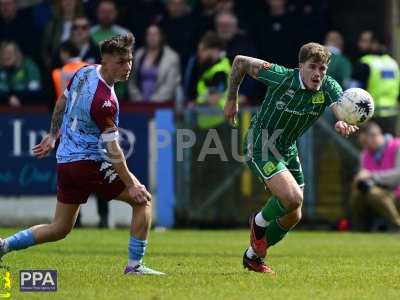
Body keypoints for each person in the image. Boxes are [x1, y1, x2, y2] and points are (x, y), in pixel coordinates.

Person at [0, 34, 164, 276]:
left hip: (66, 161)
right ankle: (134, 266)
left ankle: (4, 246)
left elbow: (61, 102)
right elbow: (113, 149)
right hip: (87, 163)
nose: (127, 66)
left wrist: (53, 135)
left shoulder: (84, 72)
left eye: (129, 60)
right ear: (106, 61)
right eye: (121, 62)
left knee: (60, 228)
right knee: (143, 201)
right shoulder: (104, 101)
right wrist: (131, 185)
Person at [224, 43, 359, 273]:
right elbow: (239, 61)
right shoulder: (281, 76)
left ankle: (252, 257)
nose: (318, 73)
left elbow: (339, 108)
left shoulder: (329, 86)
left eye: (323, 68)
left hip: (287, 149)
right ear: (300, 67)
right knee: (292, 197)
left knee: (293, 215)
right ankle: (258, 222)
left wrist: (341, 121)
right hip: (260, 144)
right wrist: (231, 99)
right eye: (313, 67)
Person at [351, 122, 400, 231]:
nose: (364, 146)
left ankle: (397, 226)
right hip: (379, 191)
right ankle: (360, 230)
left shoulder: (397, 146)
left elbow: (398, 174)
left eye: (365, 142)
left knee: (374, 193)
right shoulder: (365, 154)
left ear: (374, 136)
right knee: (357, 192)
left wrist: (372, 176)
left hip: (396, 193)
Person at [128, 24, 181, 102]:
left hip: (162, 104)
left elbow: (170, 85)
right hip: (139, 103)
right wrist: (138, 99)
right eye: (149, 34)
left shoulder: (172, 57)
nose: (152, 37)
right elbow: (132, 81)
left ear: (161, 36)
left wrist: (153, 102)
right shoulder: (138, 55)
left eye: (155, 34)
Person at [0, 41, 42, 106]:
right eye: (3, 53)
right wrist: (7, 98)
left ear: (18, 54)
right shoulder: (1, 68)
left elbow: (34, 91)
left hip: (27, 108)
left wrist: (20, 99)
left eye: (9, 52)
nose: (6, 56)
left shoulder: (29, 66)